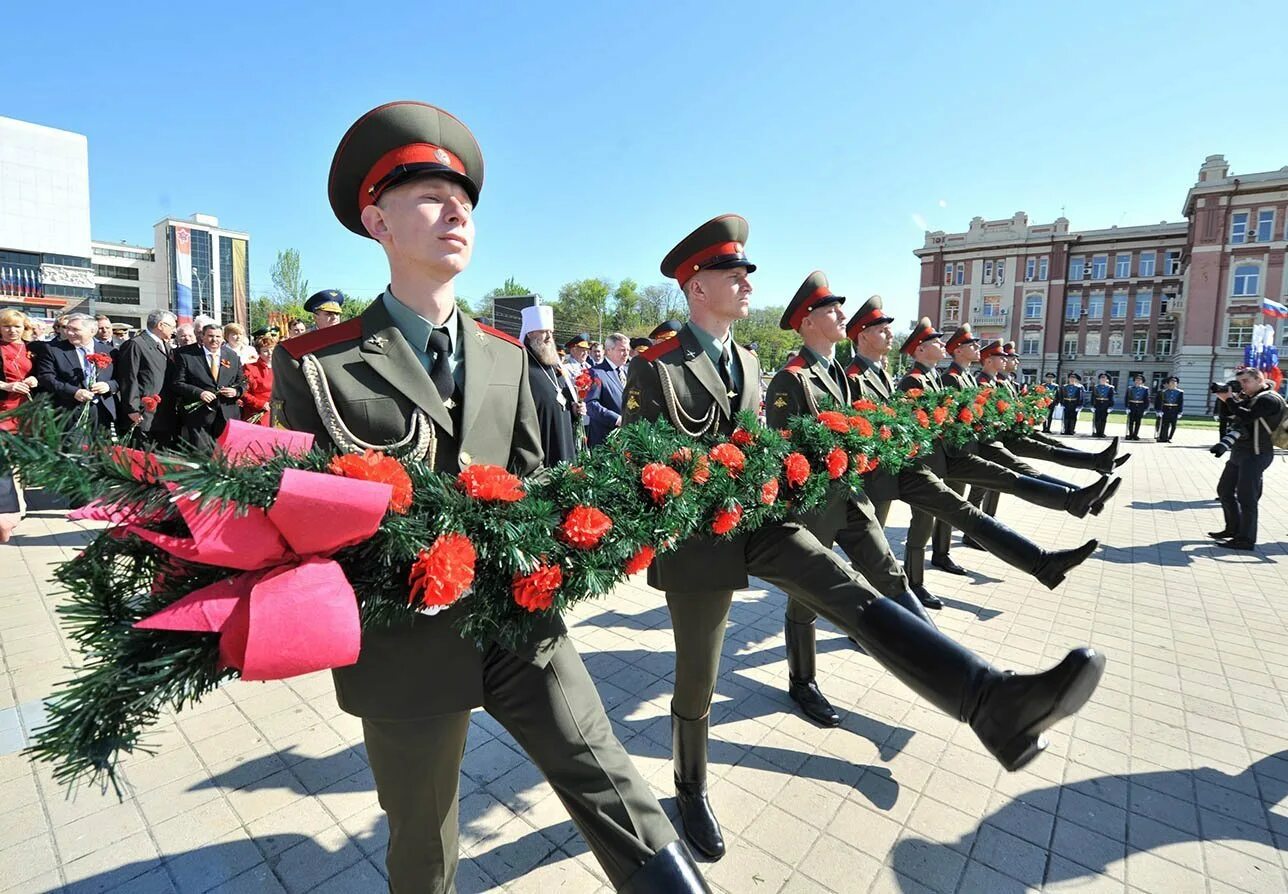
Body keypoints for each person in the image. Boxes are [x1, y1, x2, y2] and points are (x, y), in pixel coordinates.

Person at [270, 101, 708, 893]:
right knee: (424, 842)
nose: (457, 213)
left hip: (515, 620)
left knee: (611, 782)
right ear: (377, 221)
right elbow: (301, 516)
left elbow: (541, 481)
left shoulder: (508, 359)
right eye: (432, 198)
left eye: (464, 201)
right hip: (402, 638)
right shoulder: (315, 362)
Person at [624, 214, 1105, 861]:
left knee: (851, 591)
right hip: (698, 543)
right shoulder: (656, 365)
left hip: (760, 521)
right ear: (694, 287)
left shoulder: (748, 359)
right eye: (729, 273)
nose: (743, 281)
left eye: (745, 272)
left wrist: (772, 474)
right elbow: (639, 468)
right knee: (696, 683)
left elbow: (760, 441)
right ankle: (690, 787)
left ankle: (989, 700)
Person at [763, 271, 938, 728]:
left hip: (852, 494)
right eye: (831, 310)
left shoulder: (839, 372)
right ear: (807, 322)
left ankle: (939, 657)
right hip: (814, 503)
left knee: (885, 568)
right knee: (805, 601)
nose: (843, 315)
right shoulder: (791, 379)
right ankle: (803, 682)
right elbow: (784, 451)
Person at [1209, 367, 1284, 550]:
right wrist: (1226, 401)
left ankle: (1246, 539)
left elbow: (1248, 415)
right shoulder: (1251, 398)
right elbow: (1234, 417)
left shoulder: (1269, 398)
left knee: (1247, 497)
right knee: (1224, 491)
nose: (1242, 386)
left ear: (1259, 379)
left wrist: (1230, 400)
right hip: (1240, 452)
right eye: (1240, 382)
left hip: (1257, 453)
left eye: (1246, 381)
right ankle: (1233, 529)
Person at [32, 312, 118, 435]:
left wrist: (109, 386)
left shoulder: (110, 351)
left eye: (75, 330)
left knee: (100, 451)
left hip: (101, 412)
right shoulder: (53, 349)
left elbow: (121, 378)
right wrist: (74, 392)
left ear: (92, 331)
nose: (69, 333)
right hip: (69, 411)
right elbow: (46, 377)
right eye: (68, 329)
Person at [520, 304, 582, 464]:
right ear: (529, 333)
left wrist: (574, 409)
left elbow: (563, 398)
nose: (549, 336)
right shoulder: (521, 363)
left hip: (564, 437)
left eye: (551, 332)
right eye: (543, 331)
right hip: (541, 441)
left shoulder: (554, 363)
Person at [172, 323, 245, 449]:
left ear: (223, 338)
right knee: (202, 456)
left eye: (218, 336)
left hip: (227, 414)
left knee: (226, 454)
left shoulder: (232, 356)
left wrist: (236, 391)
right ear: (202, 337)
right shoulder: (186, 355)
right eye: (210, 336)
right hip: (199, 417)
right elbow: (177, 383)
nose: (214, 340)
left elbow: (243, 381)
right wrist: (199, 393)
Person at [1, 309, 39, 541]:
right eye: (6, 326)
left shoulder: (33, 348)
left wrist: (35, 379)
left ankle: (21, 498)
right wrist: (6, 386)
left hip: (28, 409)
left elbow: (44, 373)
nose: (11, 330)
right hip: (5, 410)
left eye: (16, 326)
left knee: (24, 458)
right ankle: (15, 505)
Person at [115, 309, 177, 444]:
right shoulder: (136, 344)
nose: (174, 330)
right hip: (143, 413)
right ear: (161, 325)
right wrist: (132, 409)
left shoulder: (165, 345)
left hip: (163, 412)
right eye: (172, 326)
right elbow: (128, 378)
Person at [585, 332, 630, 447]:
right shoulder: (596, 373)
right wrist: (616, 419)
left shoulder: (628, 371)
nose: (626, 354)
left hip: (628, 438)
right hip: (606, 439)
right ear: (609, 350)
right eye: (622, 350)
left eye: (628, 350)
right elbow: (591, 405)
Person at [239, 332, 276, 426]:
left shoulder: (281, 367)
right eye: (265, 351)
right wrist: (260, 404)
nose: (270, 353)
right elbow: (243, 392)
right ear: (259, 352)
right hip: (258, 412)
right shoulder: (249, 368)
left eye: (272, 349)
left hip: (279, 412)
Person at [1156, 375, 1184, 442]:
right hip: (1166, 409)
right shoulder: (1164, 392)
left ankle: (1170, 437)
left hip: (1175, 409)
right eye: (1171, 381)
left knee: (1173, 425)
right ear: (1168, 383)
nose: (1173, 383)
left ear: (1177, 383)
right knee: (1165, 424)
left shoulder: (1180, 392)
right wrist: (1159, 410)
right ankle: (1164, 438)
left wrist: (1180, 412)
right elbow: (1161, 402)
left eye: (1175, 382)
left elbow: (1181, 402)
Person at [1125, 374, 1151, 440]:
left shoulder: (1145, 389)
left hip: (1140, 406)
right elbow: (1127, 398)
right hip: (1132, 405)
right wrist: (1127, 407)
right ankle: (1130, 434)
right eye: (1136, 379)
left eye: (1140, 380)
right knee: (1131, 421)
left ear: (1142, 381)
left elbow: (1147, 399)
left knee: (1138, 421)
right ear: (1134, 381)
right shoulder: (1130, 388)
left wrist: (1146, 409)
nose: (1138, 381)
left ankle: (1135, 435)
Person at [1091, 373, 1115, 437]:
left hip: (1106, 404)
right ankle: (1097, 432)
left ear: (1107, 379)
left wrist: (1110, 406)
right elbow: (1093, 397)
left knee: (1103, 419)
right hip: (1097, 404)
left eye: (1104, 378)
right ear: (1099, 379)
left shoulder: (1110, 387)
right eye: (1102, 378)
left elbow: (1111, 397)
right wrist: (1092, 406)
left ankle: (1101, 433)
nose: (1103, 379)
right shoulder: (1096, 387)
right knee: (1097, 419)